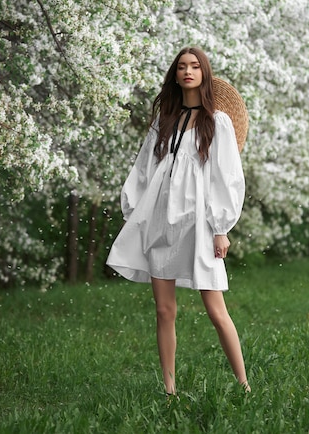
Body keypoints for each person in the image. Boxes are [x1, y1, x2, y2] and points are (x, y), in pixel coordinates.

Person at [106, 46, 250, 395]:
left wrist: (221, 229)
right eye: (182, 66)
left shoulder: (218, 122)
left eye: (195, 66)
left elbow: (226, 177)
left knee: (216, 310)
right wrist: (135, 214)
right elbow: (144, 169)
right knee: (164, 310)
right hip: (161, 220)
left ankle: (245, 386)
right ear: (175, 74)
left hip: (199, 223)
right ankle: (169, 390)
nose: (188, 71)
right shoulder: (164, 120)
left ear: (204, 73)